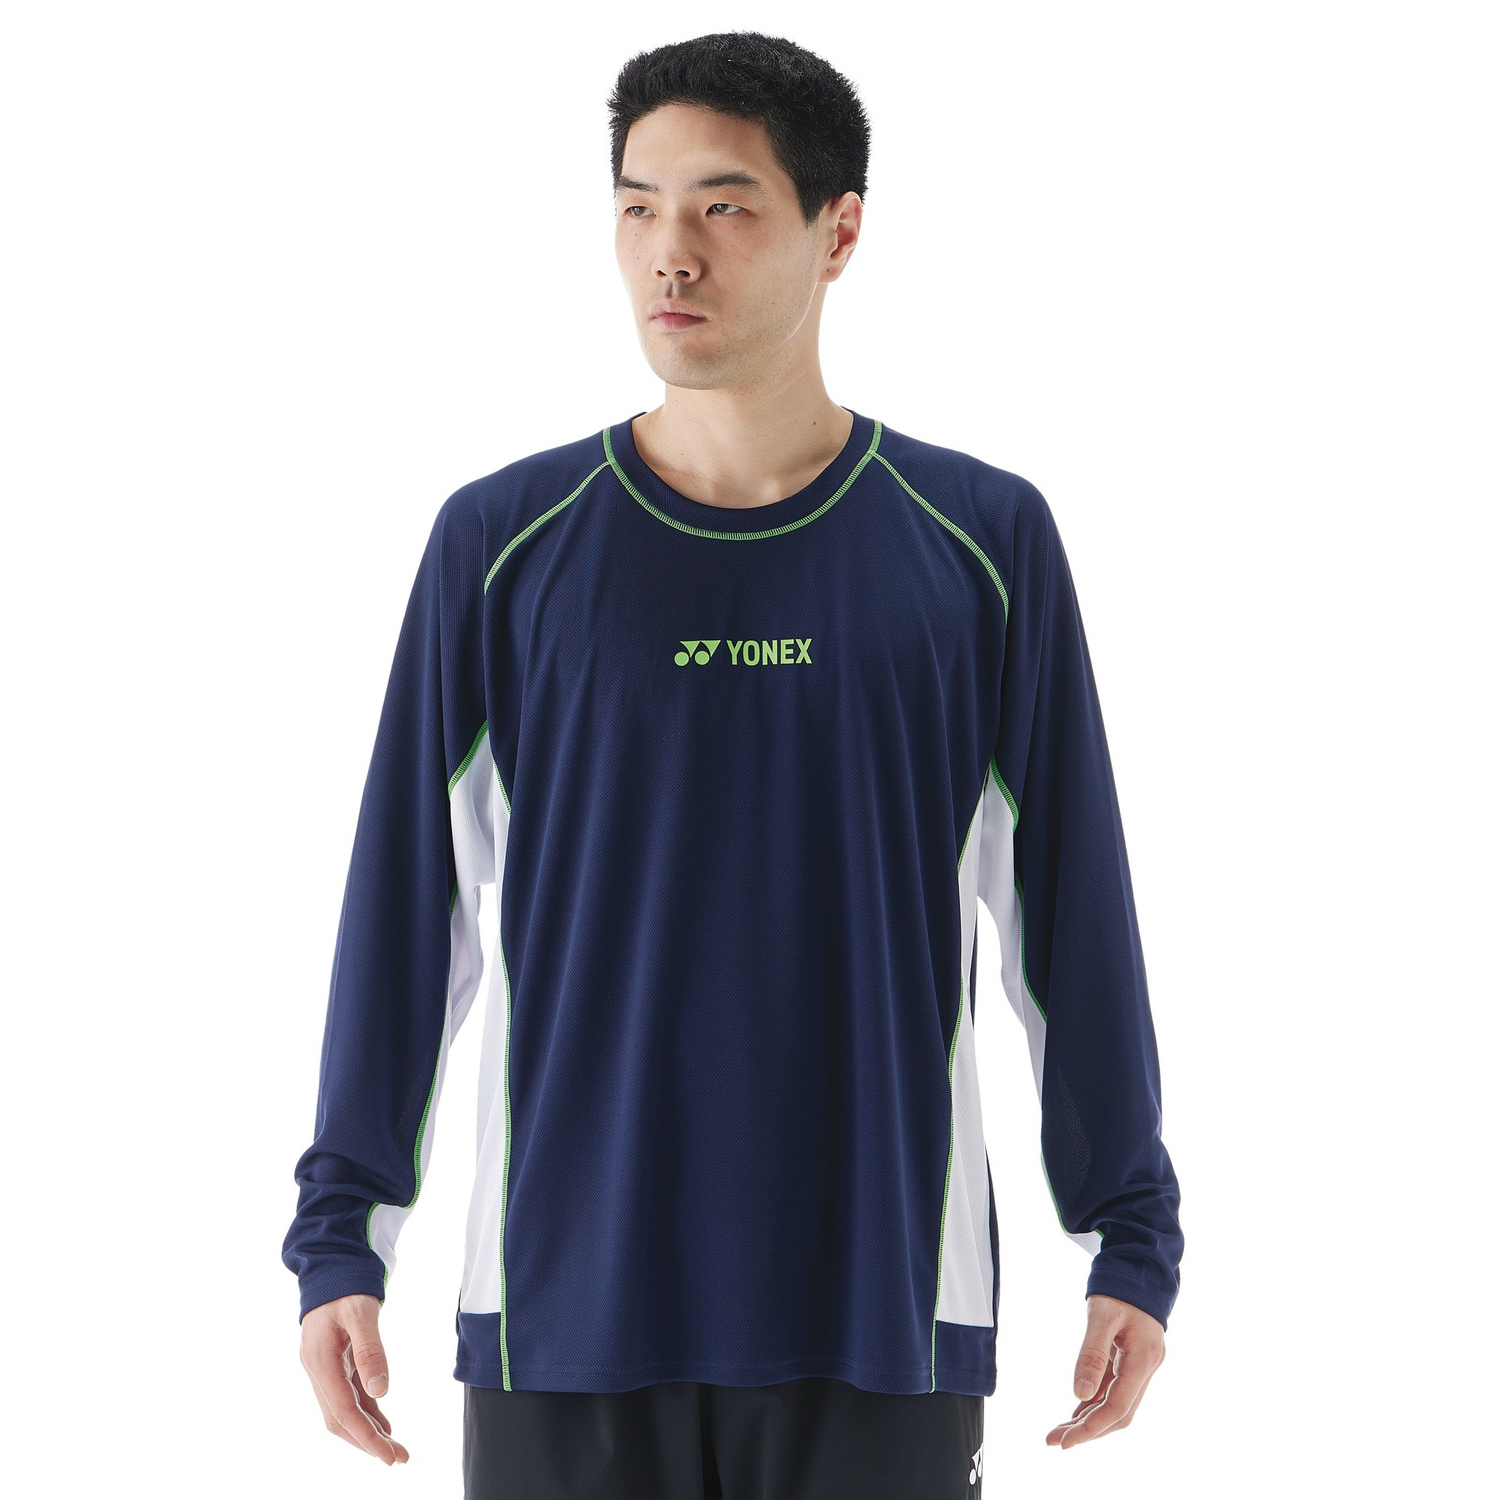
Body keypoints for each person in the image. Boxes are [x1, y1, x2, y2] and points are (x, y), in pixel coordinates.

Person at [281, 29, 1184, 1499]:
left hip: (881, 1313)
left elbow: (1070, 921)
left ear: (840, 233)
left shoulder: (980, 545)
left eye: (723, 204)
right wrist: (341, 1240)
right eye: (637, 206)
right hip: (567, 1315)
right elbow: (406, 918)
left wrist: (1129, 1237)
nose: (670, 252)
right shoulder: (502, 547)